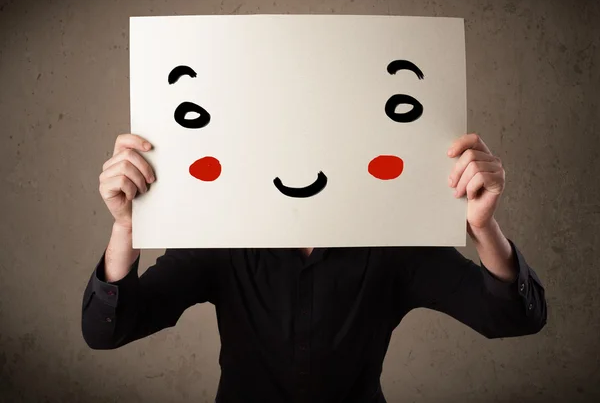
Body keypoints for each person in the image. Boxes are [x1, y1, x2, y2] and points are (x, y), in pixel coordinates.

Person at [82, 133, 547, 403]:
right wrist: (126, 228)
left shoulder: (392, 242)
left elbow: (515, 317)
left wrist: (485, 228)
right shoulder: (224, 236)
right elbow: (109, 329)